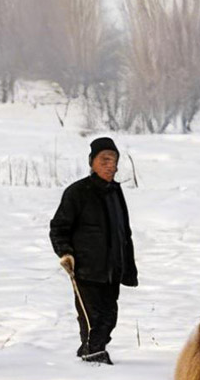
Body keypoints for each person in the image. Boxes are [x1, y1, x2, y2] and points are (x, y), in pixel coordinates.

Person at [48, 137, 138, 364]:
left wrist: (127, 266)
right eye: (104, 160)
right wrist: (66, 254)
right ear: (92, 162)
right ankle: (94, 358)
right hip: (87, 269)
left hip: (112, 270)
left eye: (114, 160)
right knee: (92, 319)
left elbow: (124, 233)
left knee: (110, 318)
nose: (111, 165)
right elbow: (59, 228)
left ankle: (88, 352)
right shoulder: (77, 193)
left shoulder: (115, 193)